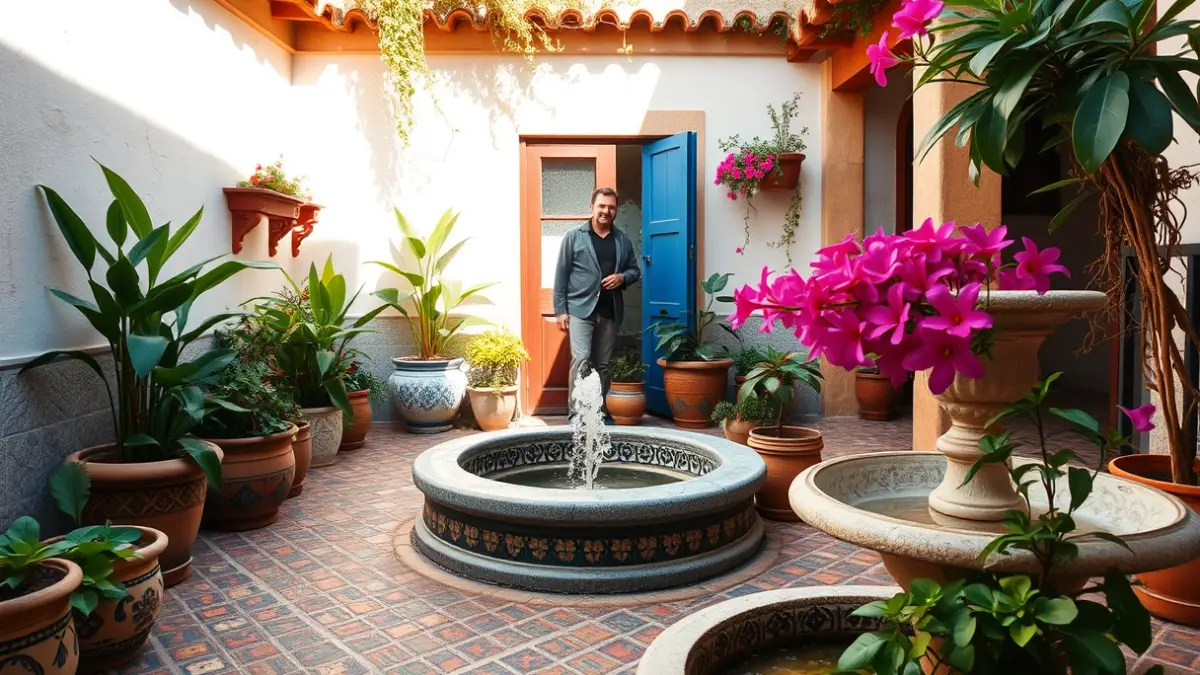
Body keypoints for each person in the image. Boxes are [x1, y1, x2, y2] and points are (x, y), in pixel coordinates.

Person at [553, 187, 641, 416]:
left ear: (616, 211)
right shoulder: (574, 237)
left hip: (610, 311)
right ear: (591, 207)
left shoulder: (621, 239)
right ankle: (576, 414)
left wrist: (622, 277)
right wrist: (560, 310)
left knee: (603, 365)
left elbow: (634, 270)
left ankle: (598, 413)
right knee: (581, 360)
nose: (606, 211)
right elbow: (561, 275)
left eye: (611, 207)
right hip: (581, 310)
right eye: (601, 206)